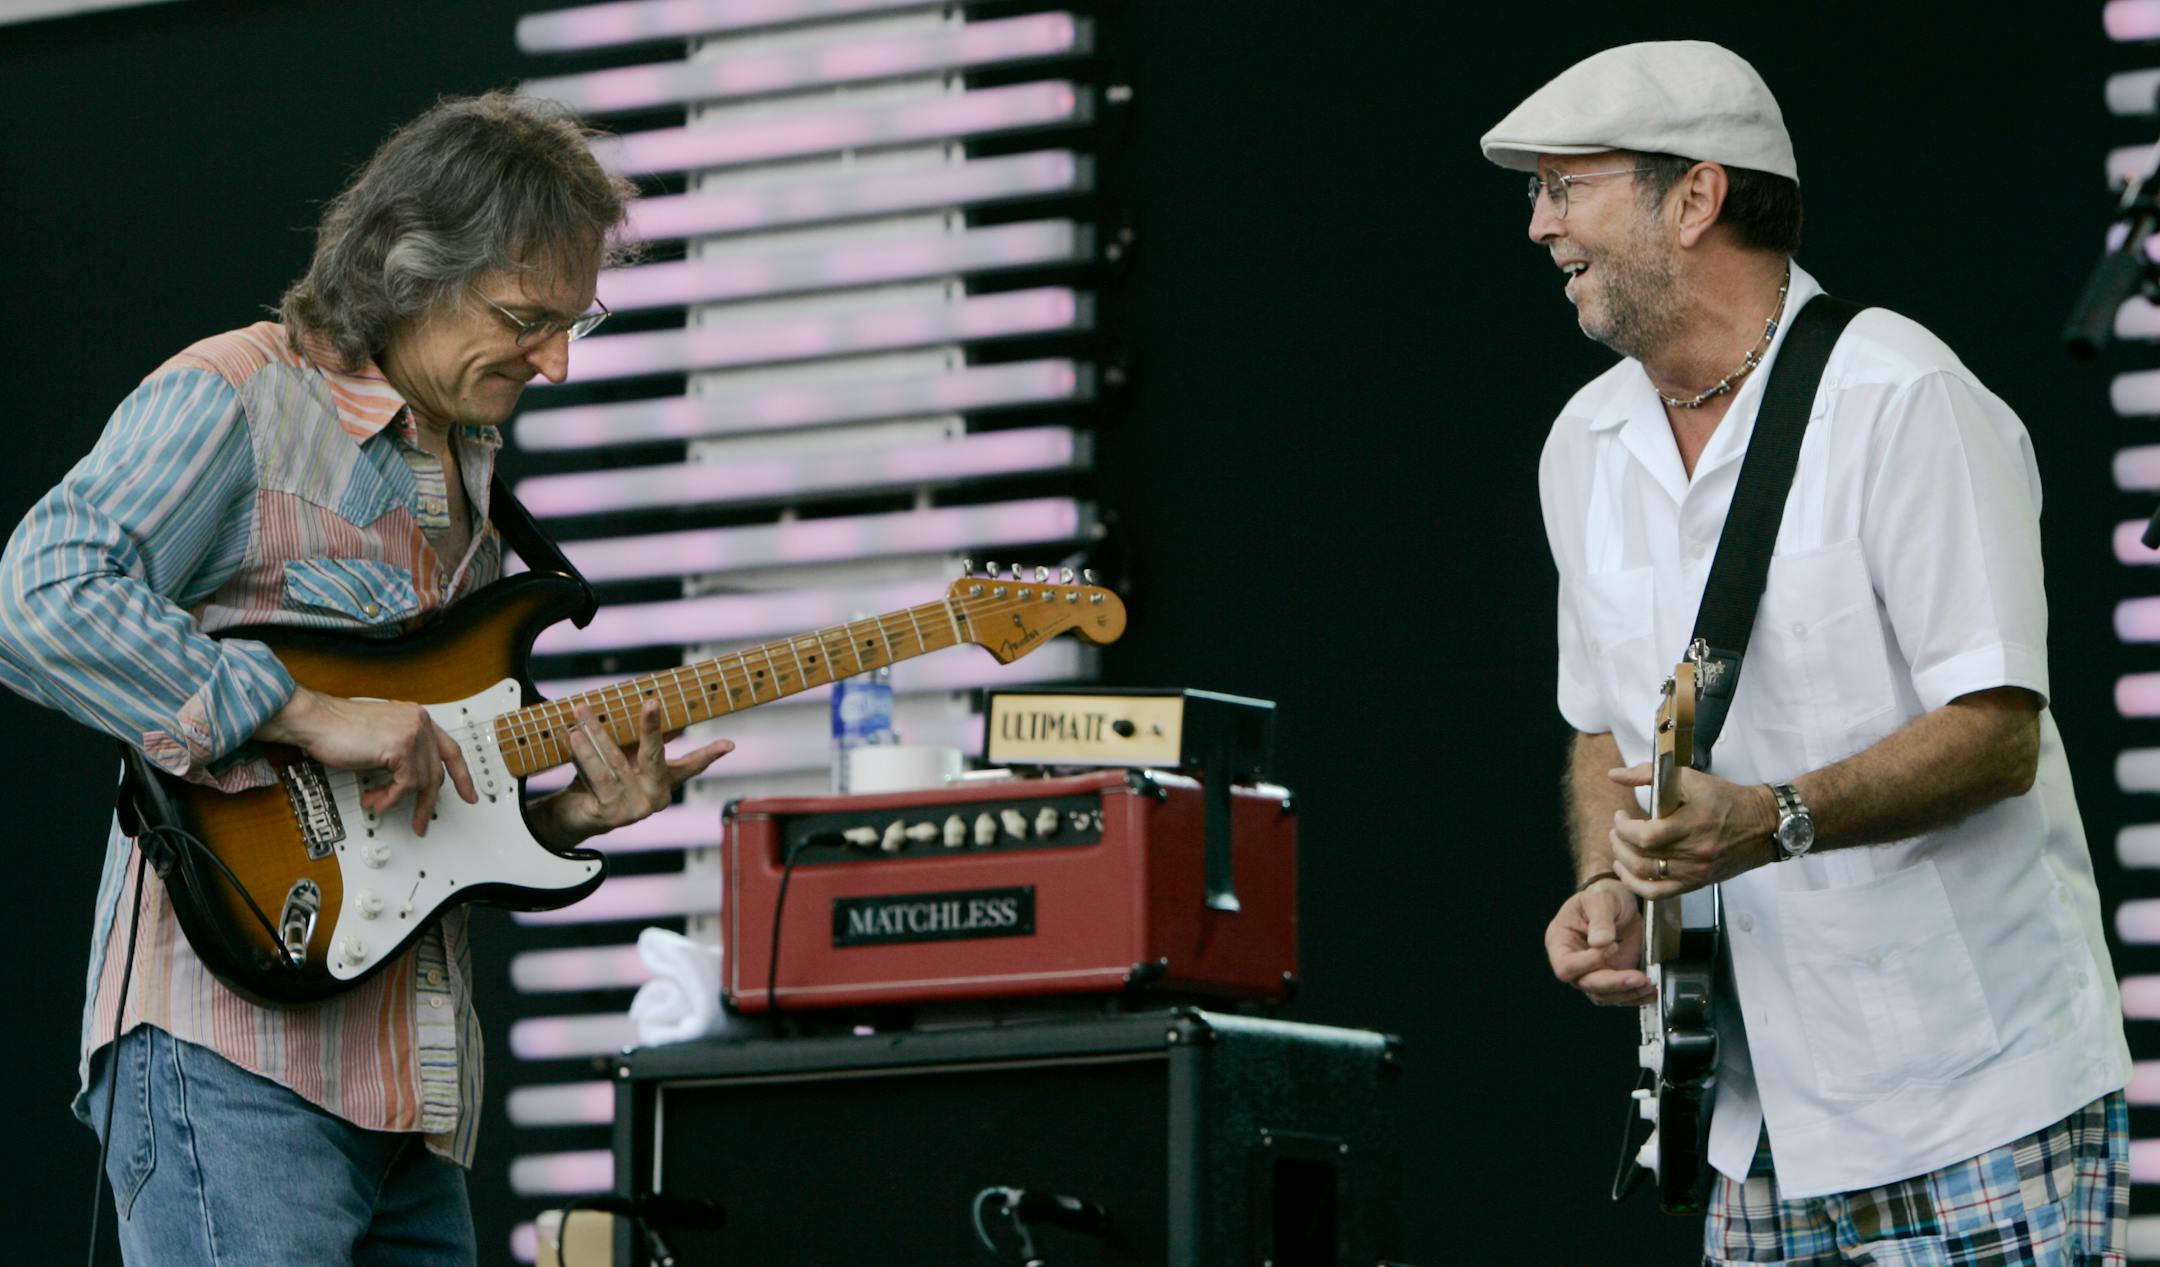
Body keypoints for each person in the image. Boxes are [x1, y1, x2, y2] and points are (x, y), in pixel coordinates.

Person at [0, 93, 734, 1266]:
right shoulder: (237, 394)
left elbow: (408, 800)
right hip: (235, 1053)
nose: (553, 360)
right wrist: (303, 710)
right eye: (526, 318)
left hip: (418, 1097)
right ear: (410, 269)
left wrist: (554, 814)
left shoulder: (474, 472)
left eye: (572, 322)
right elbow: (37, 597)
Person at [1487, 42, 2133, 1264]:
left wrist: (1773, 817)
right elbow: (1602, 728)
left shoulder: (1905, 398)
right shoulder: (1582, 443)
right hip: (1754, 1114)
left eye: (1568, 186)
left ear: (1696, 196)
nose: (1539, 225)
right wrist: (1607, 881)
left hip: (1973, 1091)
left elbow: (1997, 732)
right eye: (1537, 192)